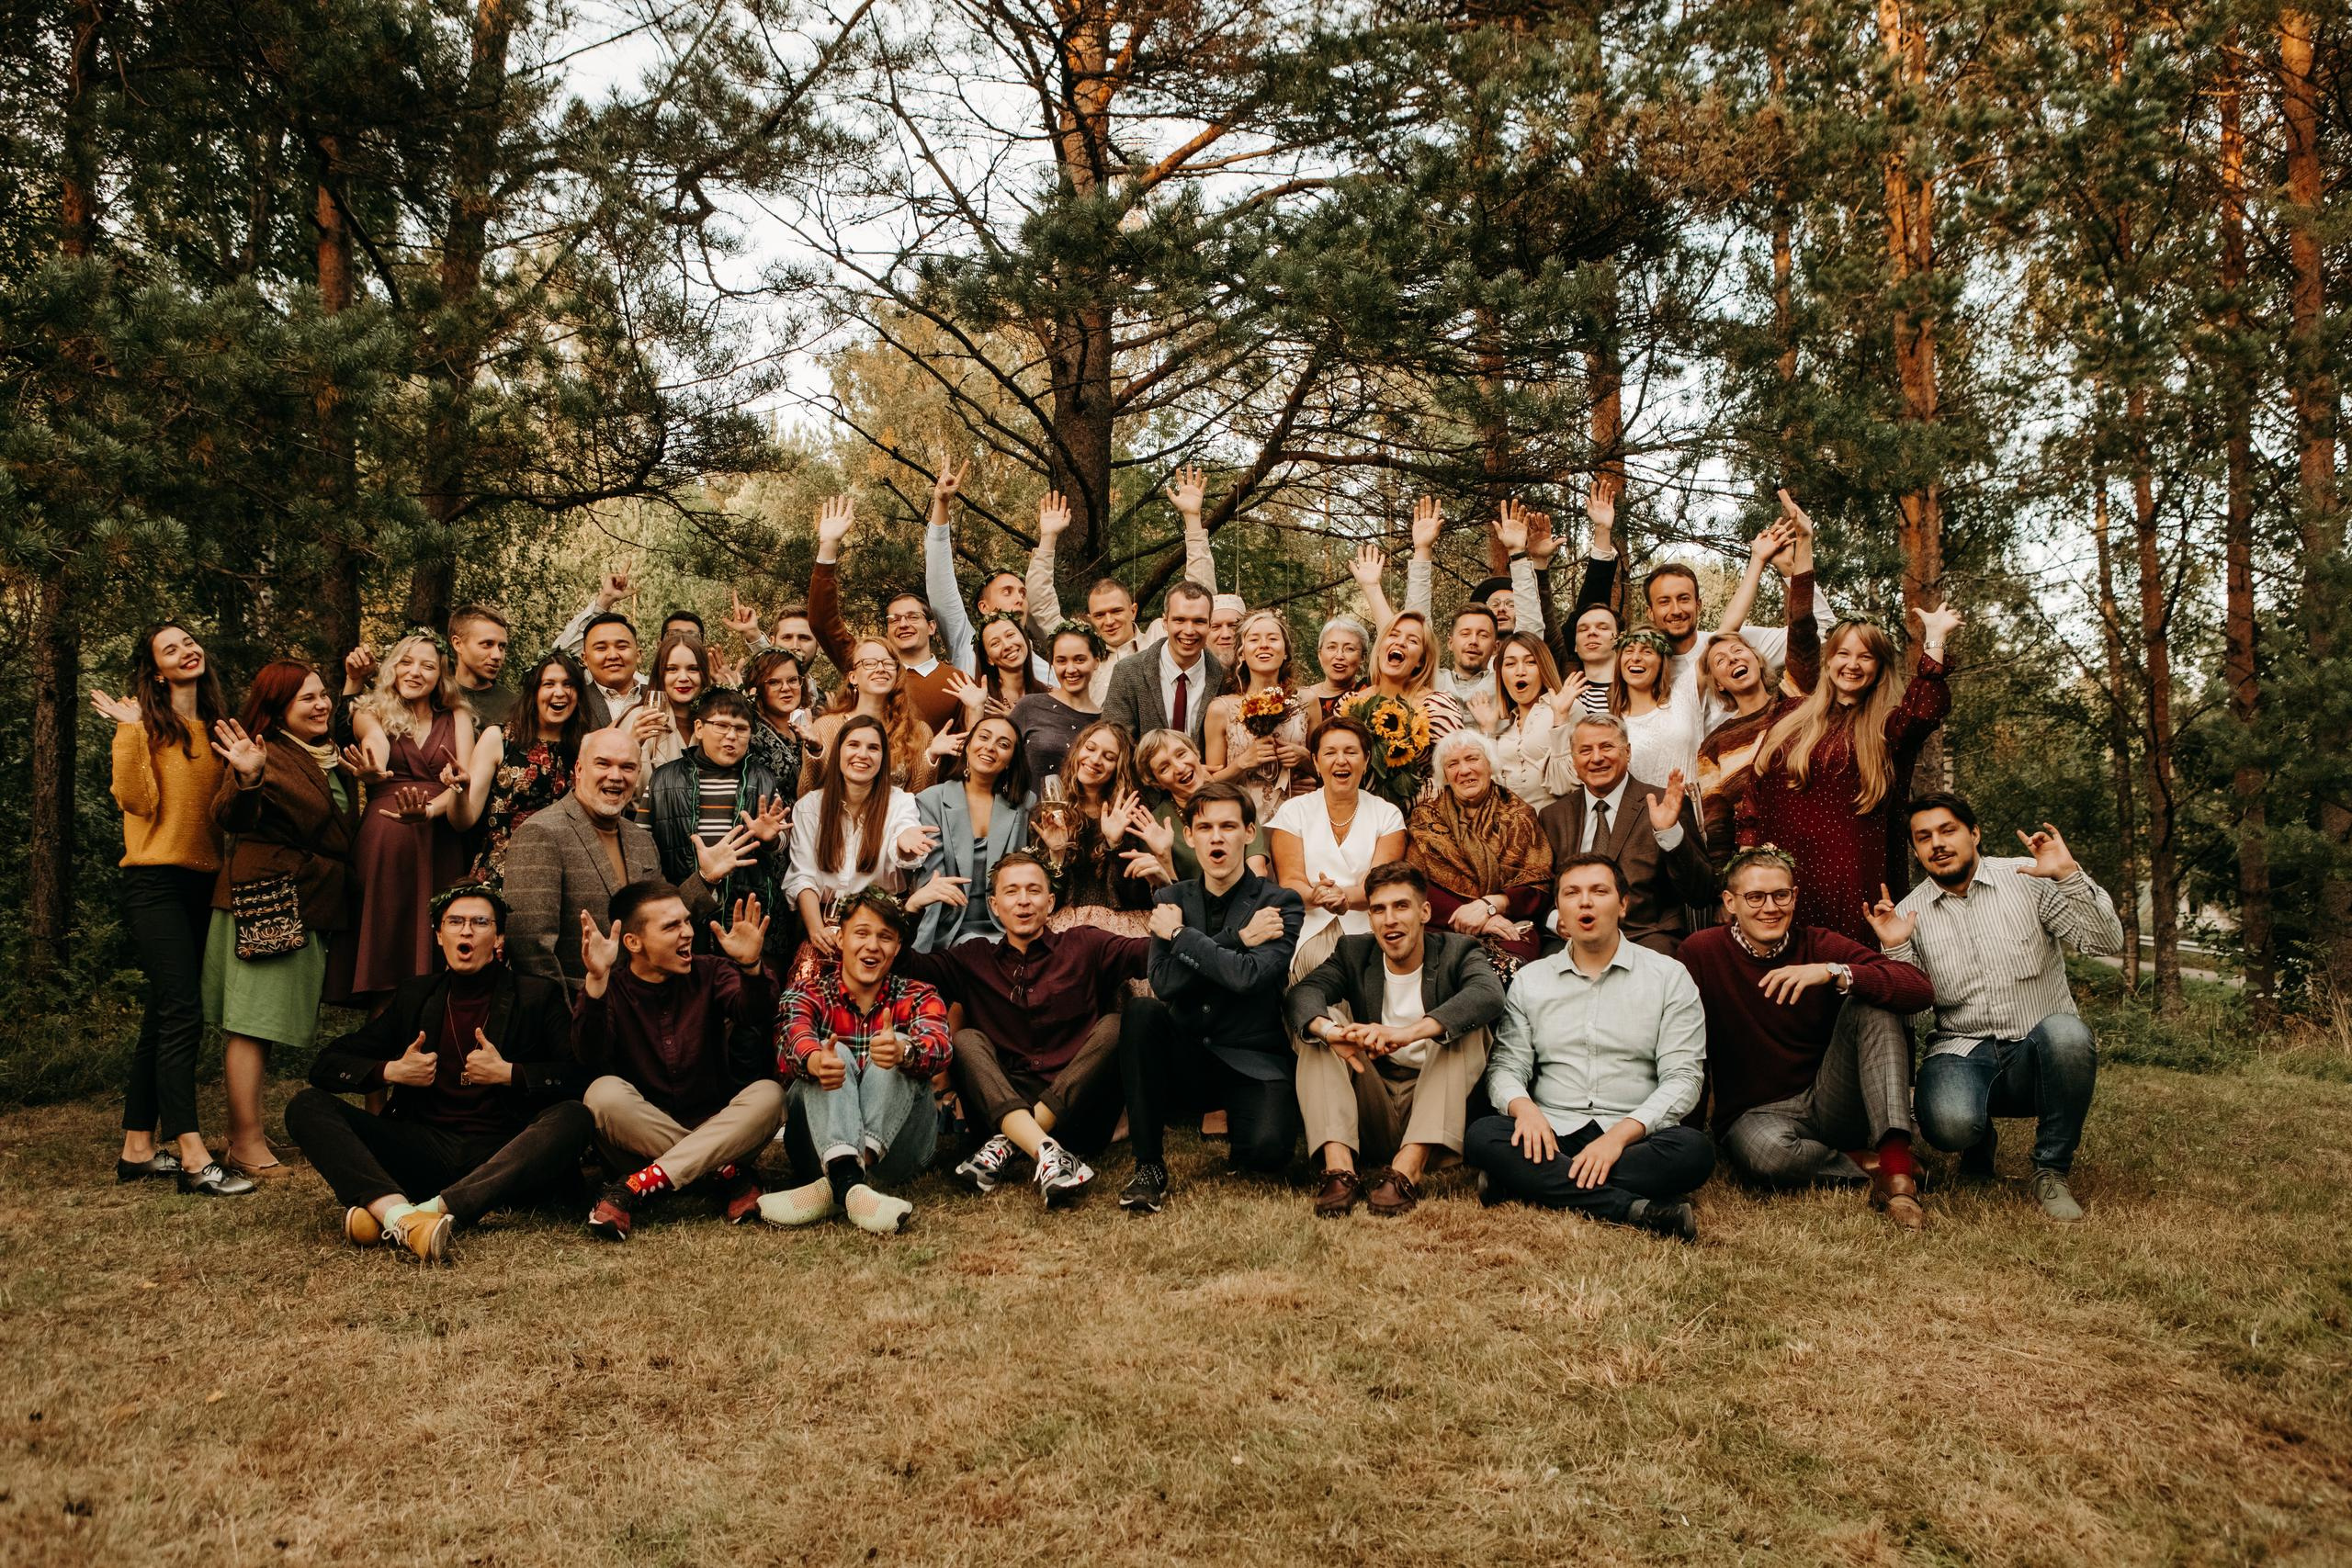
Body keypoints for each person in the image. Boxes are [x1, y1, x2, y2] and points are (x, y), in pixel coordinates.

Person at [284, 886, 593, 1262]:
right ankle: (402, 1216)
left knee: (575, 1117)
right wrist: (391, 1070)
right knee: (306, 1105)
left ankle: (421, 1212)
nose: (466, 932)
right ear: (438, 936)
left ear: (498, 938)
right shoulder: (416, 995)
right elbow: (326, 1066)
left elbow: (579, 1075)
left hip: (503, 1151)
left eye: (480, 923)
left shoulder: (535, 995)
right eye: (455, 922)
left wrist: (512, 1074)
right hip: (423, 1147)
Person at [1880, 796, 2124, 1223]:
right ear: (1916, 851)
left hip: (2036, 1051)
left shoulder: (2029, 879)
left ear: (1974, 834)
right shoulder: (1907, 914)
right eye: (1924, 837)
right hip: (1962, 1051)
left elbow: (2106, 942)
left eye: (1948, 830)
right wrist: (1896, 947)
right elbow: (1913, 1012)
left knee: (2068, 1035)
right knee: (1951, 1125)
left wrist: (2068, 875)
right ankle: (1977, 1140)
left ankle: (2050, 1171)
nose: (1937, 843)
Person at [1678, 847, 1936, 1228]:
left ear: (1795, 897)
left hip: (1829, 1097)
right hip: (1758, 1114)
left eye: (1781, 895)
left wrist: (1835, 972)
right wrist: (1687, 1141)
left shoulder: (1819, 946)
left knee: (1872, 999)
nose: (1770, 907)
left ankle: (1897, 1174)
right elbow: (1689, 1044)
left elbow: (1918, 990)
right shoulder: (1701, 952)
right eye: (1755, 897)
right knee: (1766, 1155)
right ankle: (1865, 1162)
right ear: (1731, 903)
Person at [1464, 855, 1714, 1240]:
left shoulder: (1668, 977)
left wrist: (1617, 1139)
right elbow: (1507, 1067)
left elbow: (1684, 1077)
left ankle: (1526, 1183)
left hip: (1635, 1135)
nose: (1586, 902)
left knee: (1694, 1152)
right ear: (1560, 910)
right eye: (1572, 893)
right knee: (1484, 1135)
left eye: (1599, 891)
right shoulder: (1532, 980)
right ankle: (1638, 1210)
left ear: (1623, 904)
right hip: (1551, 1131)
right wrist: (1525, 1110)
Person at [897, 852, 1147, 1205]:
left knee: (1115, 1026)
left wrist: (1167, 888)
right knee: (966, 1039)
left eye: (1034, 890)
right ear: (996, 906)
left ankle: (1012, 1144)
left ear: (1051, 901)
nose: (1024, 901)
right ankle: (1045, 1150)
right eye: (1012, 892)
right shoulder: (973, 958)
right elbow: (904, 966)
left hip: (1079, 1114)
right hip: (1001, 1105)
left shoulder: (1084, 944)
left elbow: (1151, 952)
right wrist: (912, 907)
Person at [202, 662, 362, 1184]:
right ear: (278, 711)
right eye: (306, 700)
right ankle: (243, 1143)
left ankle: (245, 1130)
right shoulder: (261, 750)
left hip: (306, 896)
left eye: (323, 696)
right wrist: (247, 778)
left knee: (264, 1022)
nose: (320, 706)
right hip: (267, 894)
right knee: (251, 1023)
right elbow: (230, 813)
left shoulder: (327, 756)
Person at [1116, 783, 1304, 1213]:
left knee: (1268, 1155)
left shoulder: (1281, 903)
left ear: (1249, 832)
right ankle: (1148, 1168)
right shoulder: (1170, 899)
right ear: (1189, 836)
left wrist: (1182, 937)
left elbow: (1249, 978)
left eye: (1227, 826)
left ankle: (1241, 1126)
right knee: (1143, 1013)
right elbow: (1163, 983)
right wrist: (1237, 938)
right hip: (1187, 1055)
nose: (1216, 837)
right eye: (1205, 827)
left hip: (1251, 1056)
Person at [95, 622, 233, 1191]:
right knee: (183, 1010)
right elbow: (136, 801)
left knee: (162, 1011)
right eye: (171, 648)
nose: (187, 651)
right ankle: (193, 1153)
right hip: (153, 881)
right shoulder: (143, 729)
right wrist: (131, 733)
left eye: (190, 641)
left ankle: (136, 1148)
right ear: (156, 670)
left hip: (204, 884)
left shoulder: (221, 728)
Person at [1287, 863, 1508, 1218]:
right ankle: (1339, 1170)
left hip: (1437, 1109)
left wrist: (1407, 1033)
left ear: (1424, 912)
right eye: (1379, 909)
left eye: (1401, 906)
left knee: (1467, 1030)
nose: (1390, 919)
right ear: (1370, 917)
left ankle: (1409, 1169)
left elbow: (1488, 996)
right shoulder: (1354, 952)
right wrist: (1333, 1033)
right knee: (1322, 1030)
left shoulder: (1458, 951)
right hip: (1374, 1102)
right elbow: (1303, 993)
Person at [1736, 600, 1961, 944]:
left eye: (1865, 656)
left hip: (1849, 882)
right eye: (1843, 653)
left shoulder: (1887, 728)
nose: (1852, 665)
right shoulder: (1789, 714)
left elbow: (1924, 713)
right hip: (1779, 879)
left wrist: (1934, 638)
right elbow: (1755, 792)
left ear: (1879, 667)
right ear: (1829, 662)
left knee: (1843, 973)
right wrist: (1746, 862)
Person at [576, 882, 784, 1239]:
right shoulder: (610, 988)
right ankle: (726, 1173)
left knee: (770, 1095)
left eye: (686, 922)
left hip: (718, 1127)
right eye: (671, 927)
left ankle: (636, 1187)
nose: (687, 932)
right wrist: (596, 980)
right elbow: (589, 1055)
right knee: (602, 1093)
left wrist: (750, 966)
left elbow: (755, 1012)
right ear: (633, 943)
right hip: (641, 1145)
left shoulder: (711, 971)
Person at [761, 889, 952, 1235]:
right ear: (841, 937)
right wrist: (817, 1061)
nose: (873, 946)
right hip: (813, 1144)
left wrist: (905, 1053)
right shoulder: (806, 994)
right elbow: (792, 1044)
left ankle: (840, 1179)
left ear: (896, 948)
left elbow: (940, 1046)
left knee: (896, 1043)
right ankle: (853, 1185)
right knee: (832, 1054)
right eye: (862, 933)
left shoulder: (919, 994)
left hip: (900, 1151)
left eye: (885, 937)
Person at [503, 728, 745, 998]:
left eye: (627, 767)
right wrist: (566, 1022)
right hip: (575, 1012)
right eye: (603, 764)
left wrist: (705, 877)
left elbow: (661, 920)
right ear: (579, 770)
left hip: (639, 1013)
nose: (616, 776)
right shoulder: (541, 833)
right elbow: (530, 951)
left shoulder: (640, 840)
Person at [339, 631, 473, 1005]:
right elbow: (375, 741)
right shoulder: (371, 710)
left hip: (440, 838)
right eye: (406, 662)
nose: (415, 672)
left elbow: (466, 776)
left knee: (437, 953)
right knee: (389, 950)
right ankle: (382, 1048)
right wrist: (374, 768)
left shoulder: (458, 716)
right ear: (392, 668)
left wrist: (432, 809)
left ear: (441, 675)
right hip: (386, 840)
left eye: (427, 665)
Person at [1026, 467, 1219, 694]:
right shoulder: (1081, 653)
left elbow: (1199, 597)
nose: (1109, 621)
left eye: (1116, 611)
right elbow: (1040, 608)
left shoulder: (1160, 639)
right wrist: (1048, 538)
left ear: (1133, 610)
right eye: (1099, 615)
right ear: (1090, 618)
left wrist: (1193, 519)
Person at [1538, 714, 1713, 953]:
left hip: (1645, 937)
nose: (1597, 758)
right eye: (1585, 750)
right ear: (1573, 759)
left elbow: (1700, 893)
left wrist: (1669, 834)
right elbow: (1540, 891)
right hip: (1573, 941)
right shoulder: (1553, 816)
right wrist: (1555, 919)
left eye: (1607, 746)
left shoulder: (1663, 804)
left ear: (1627, 752)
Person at [782, 714, 933, 970]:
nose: (863, 754)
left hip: (881, 925)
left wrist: (903, 844)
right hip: (826, 923)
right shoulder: (810, 806)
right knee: (808, 988)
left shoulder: (900, 802)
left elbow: (906, 844)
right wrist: (816, 929)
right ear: (838, 751)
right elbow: (802, 876)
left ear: (883, 758)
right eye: (853, 745)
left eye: (873, 748)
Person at [1405, 729, 1554, 977]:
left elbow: (1539, 882)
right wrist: (1474, 917)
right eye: (1453, 764)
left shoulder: (1520, 815)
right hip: (1443, 924)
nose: (1464, 771)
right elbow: (1414, 883)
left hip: (1509, 923)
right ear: (1445, 775)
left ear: (1490, 764)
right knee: (1439, 974)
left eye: (1472, 759)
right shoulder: (1425, 818)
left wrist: (1493, 904)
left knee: (1503, 972)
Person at [1268, 717, 1408, 979]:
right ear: (1317, 762)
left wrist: (1344, 898)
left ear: (1366, 760)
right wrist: (1316, 896)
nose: (1341, 760)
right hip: (1309, 923)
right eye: (1330, 752)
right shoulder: (1293, 811)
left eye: (1351, 752)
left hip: (1370, 925)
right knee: (1322, 963)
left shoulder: (1387, 815)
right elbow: (1291, 881)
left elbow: (1379, 885)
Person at [808, 496, 964, 730]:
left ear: (932, 627)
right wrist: (828, 546)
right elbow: (823, 622)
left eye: (913, 617)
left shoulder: (957, 681)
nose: (903, 624)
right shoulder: (868, 667)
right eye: (894, 619)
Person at [646, 688, 791, 930]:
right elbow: (643, 844)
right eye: (722, 726)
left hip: (743, 914)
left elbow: (782, 843)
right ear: (699, 729)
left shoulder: (762, 779)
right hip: (680, 911)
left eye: (741, 729)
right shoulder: (663, 780)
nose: (731, 736)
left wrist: (772, 840)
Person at [450, 649, 587, 888]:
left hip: (566, 874)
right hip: (504, 873)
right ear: (533, 692)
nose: (560, 692)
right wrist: (460, 791)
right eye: (549, 684)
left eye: (569, 684)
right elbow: (464, 820)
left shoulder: (586, 746)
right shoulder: (500, 738)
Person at [906, 711, 1031, 950]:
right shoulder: (931, 801)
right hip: (951, 929)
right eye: (984, 737)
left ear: (1012, 759)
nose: (990, 747)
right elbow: (933, 881)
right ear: (968, 746)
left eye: (1003, 744)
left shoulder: (1025, 803)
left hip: (1010, 928)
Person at [1032, 719, 1157, 931]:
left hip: (1121, 924)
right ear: (1078, 750)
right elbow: (1047, 898)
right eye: (1090, 748)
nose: (1095, 760)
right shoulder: (1050, 813)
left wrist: (1115, 844)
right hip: (1064, 924)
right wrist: (1057, 854)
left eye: (1109, 757)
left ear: (1119, 768)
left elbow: (1135, 896)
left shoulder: (1130, 813)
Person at [797, 635, 944, 798]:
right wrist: (815, 752)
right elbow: (806, 796)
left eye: (888, 663)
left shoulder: (918, 731)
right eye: (869, 663)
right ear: (853, 677)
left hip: (895, 822)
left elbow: (920, 801)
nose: (880, 669)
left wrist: (931, 758)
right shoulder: (827, 726)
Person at [1202, 609, 1310, 827]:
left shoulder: (1307, 701)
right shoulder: (1221, 709)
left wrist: (1306, 758)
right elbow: (1210, 783)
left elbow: (1325, 766)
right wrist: (1242, 763)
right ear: (1242, 653)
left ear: (1286, 652)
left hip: (1298, 819)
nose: (1264, 645)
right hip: (1243, 819)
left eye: (1273, 639)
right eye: (1254, 639)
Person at [1102, 580, 1225, 749]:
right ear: (1165, 622)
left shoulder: (1225, 676)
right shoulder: (1127, 673)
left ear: (1210, 625)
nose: (1189, 631)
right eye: (1180, 620)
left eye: (1199, 621)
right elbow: (1114, 745)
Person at [1009, 623, 1102, 796]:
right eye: (1061, 661)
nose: (1071, 669)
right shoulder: (1029, 707)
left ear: (1096, 662)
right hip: (1023, 817)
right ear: (1052, 663)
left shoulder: (1104, 722)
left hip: (1079, 821)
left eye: (1079, 659)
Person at [1488, 631, 1577, 810]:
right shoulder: (1504, 723)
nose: (1520, 671)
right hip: (1510, 830)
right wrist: (1488, 730)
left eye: (1530, 662)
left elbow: (1568, 786)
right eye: (1510, 664)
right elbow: (1491, 789)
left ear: (1543, 666)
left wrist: (1560, 720)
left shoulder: (1568, 706)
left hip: (1554, 829)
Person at [1610, 629, 1700, 795]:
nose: (1635, 658)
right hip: (1642, 818)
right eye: (1629, 651)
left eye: (1647, 651)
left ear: (1661, 662)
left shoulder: (1683, 694)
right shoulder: (1613, 722)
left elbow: (1724, 636)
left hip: (1691, 815)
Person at [639, 629, 713, 782]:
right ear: (660, 674)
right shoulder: (639, 719)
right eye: (672, 669)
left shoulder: (718, 722)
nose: (683, 678)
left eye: (693, 669)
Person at [741, 647, 808, 792]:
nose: (786, 688)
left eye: (792, 680)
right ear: (758, 687)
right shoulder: (751, 735)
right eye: (774, 682)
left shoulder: (805, 730)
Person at [448, 604, 518, 733]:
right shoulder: (436, 697)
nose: (497, 656)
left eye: (502, 647)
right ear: (458, 644)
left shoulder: (515, 707)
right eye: (487, 644)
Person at [1437, 603, 1499, 715]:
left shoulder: (1504, 685)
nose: (1473, 641)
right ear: (1450, 643)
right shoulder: (1431, 681)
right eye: (1465, 634)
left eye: (1483, 635)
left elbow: (1529, 641)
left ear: (1495, 647)